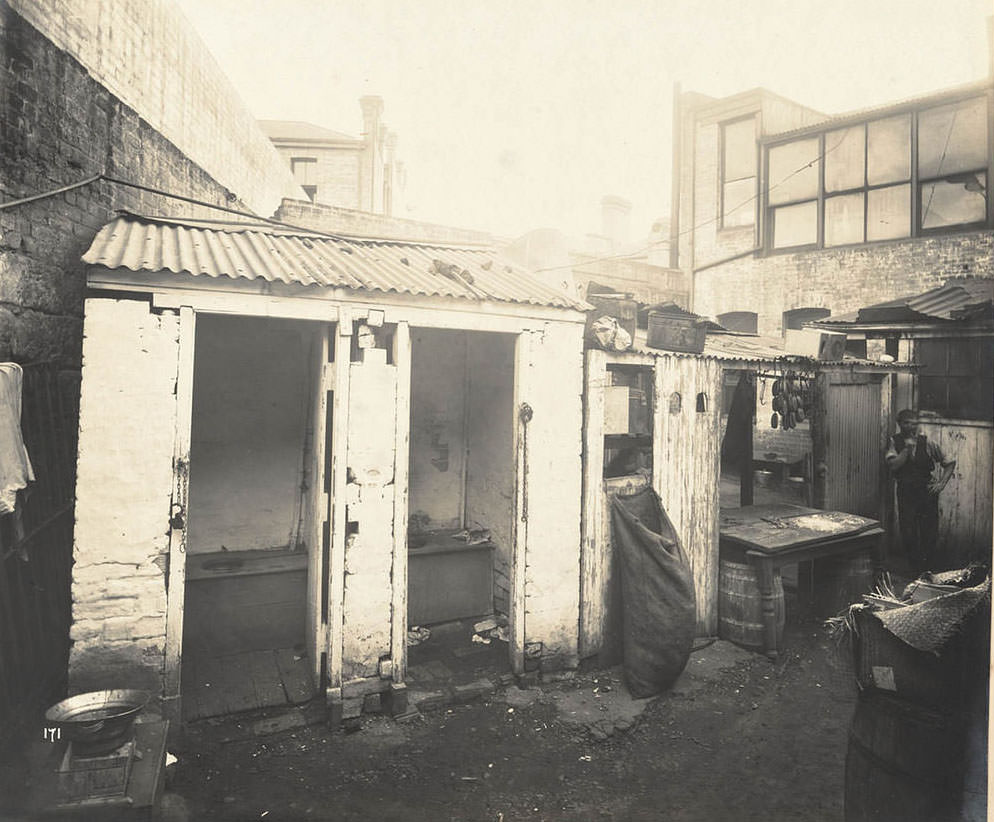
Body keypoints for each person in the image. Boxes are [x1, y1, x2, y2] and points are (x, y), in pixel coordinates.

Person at [885, 409, 956, 574]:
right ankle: (914, 570)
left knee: (929, 532)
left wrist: (941, 483)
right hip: (906, 492)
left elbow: (949, 462)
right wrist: (906, 451)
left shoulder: (928, 441)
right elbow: (893, 466)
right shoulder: (894, 441)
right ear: (899, 424)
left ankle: (928, 571)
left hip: (926, 492)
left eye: (914, 422)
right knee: (908, 532)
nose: (910, 426)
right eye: (906, 422)